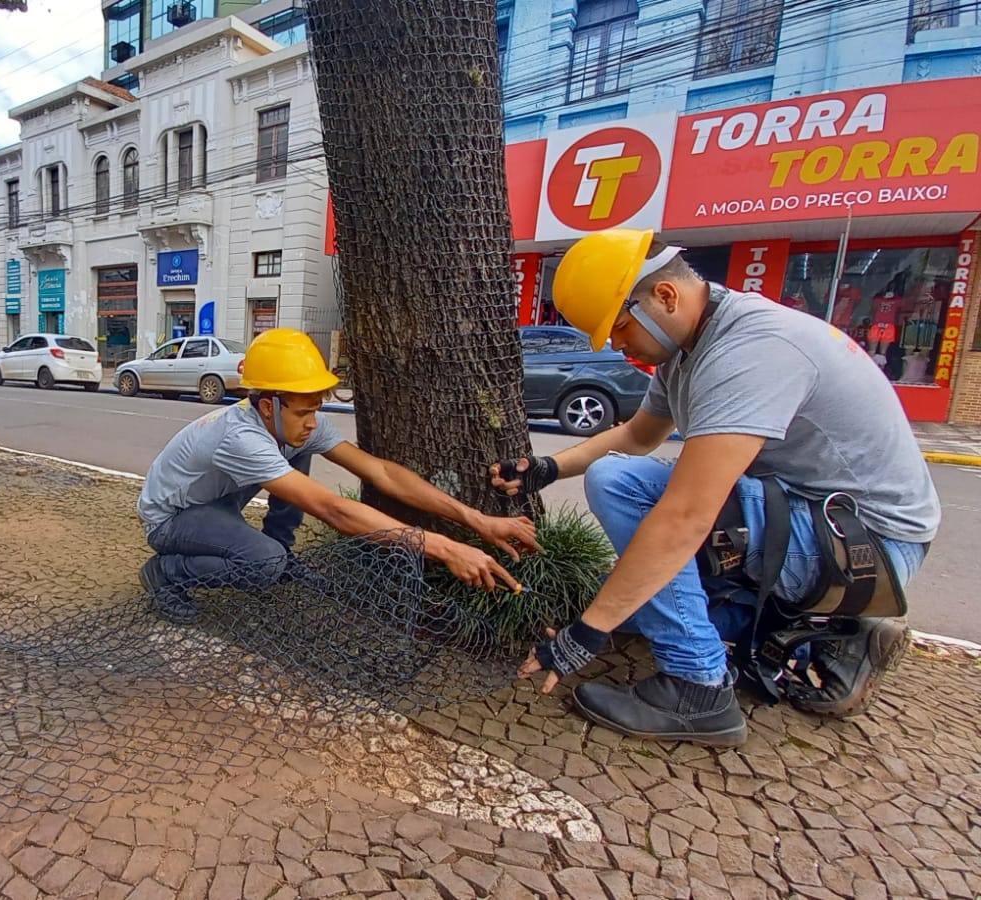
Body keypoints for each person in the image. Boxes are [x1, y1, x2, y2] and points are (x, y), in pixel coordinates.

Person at [489, 228, 938, 746]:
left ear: (664, 296)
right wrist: (547, 468)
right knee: (638, 586)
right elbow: (638, 433)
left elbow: (687, 517)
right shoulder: (689, 347)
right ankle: (829, 638)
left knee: (624, 487)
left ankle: (697, 686)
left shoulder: (749, 350)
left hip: (867, 544)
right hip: (820, 524)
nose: (616, 344)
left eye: (618, 326)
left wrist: (585, 634)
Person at [137, 328, 542, 624]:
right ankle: (167, 574)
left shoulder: (292, 423)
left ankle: (277, 551)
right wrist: (446, 549)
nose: (313, 422)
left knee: (296, 450)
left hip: (217, 504)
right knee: (263, 565)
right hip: (172, 519)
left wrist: (475, 519)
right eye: (303, 411)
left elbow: (381, 472)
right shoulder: (241, 438)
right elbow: (333, 509)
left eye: (316, 408)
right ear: (266, 406)